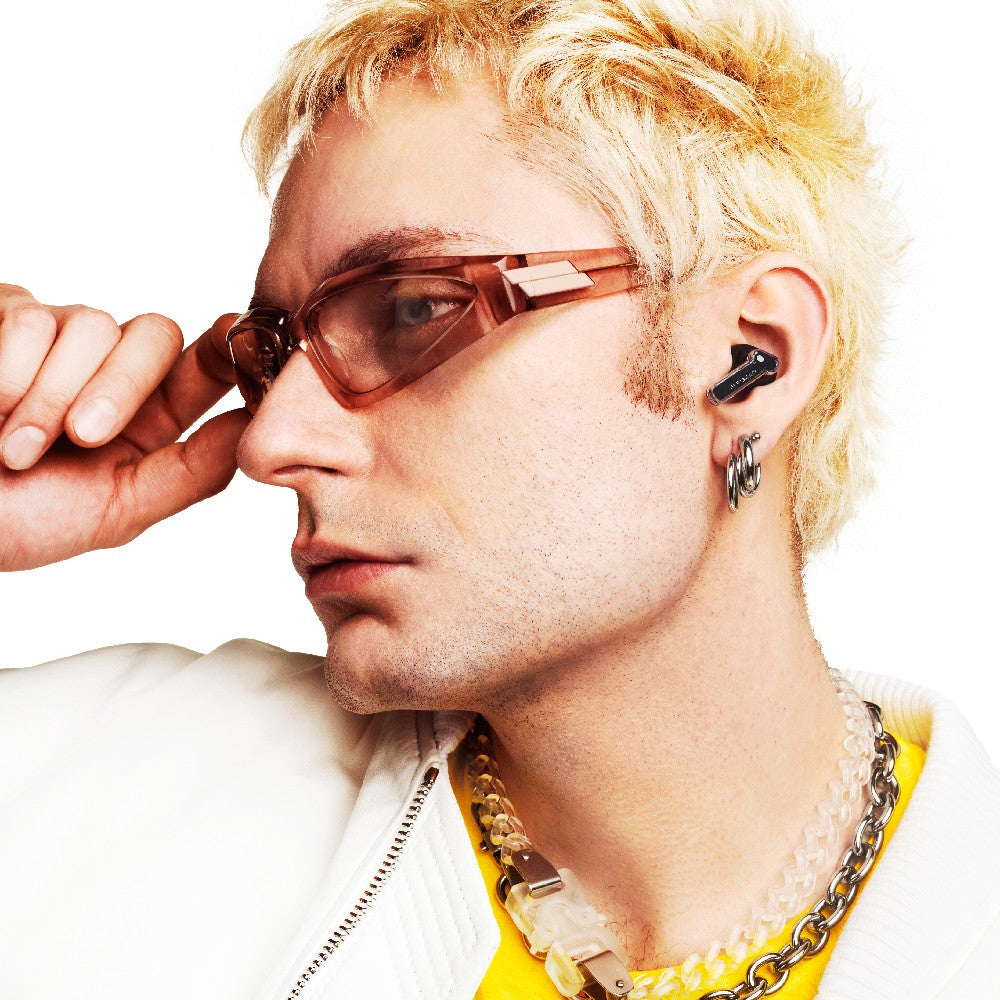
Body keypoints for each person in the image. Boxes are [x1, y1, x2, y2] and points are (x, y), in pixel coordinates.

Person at [1, 1, 997, 998]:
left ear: (752, 361)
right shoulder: (108, 797)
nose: (270, 443)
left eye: (414, 310)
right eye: (272, 356)